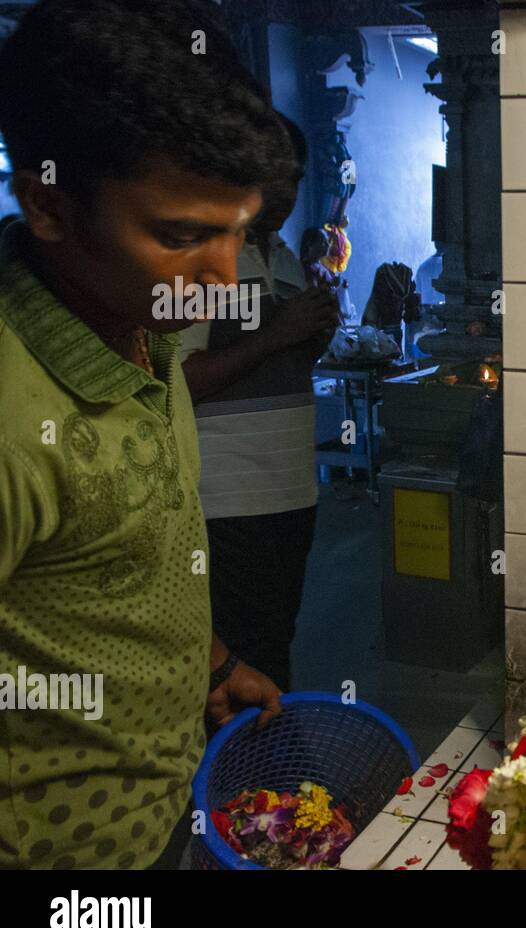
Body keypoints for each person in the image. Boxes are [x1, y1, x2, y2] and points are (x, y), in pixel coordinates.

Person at [0, 0, 288, 868]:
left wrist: (207, 664)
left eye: (237, 231)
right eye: (181, 236)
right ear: (50, 204)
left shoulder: (143, 327)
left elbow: (122, 563)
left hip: (168, 812)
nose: (223, 279)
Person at [179, 115, 338, 692]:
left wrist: (311, 336)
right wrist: (279, 333)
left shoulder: (290, 260)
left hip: (293, 488)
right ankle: (251, 767)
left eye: (294, 177)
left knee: (276, 636)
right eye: (273, 177)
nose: (287, 193)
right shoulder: (205, 264)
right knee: (240, 648)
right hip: (228, 496)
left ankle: (270, 767)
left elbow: (282, 367)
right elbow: (182, 380)